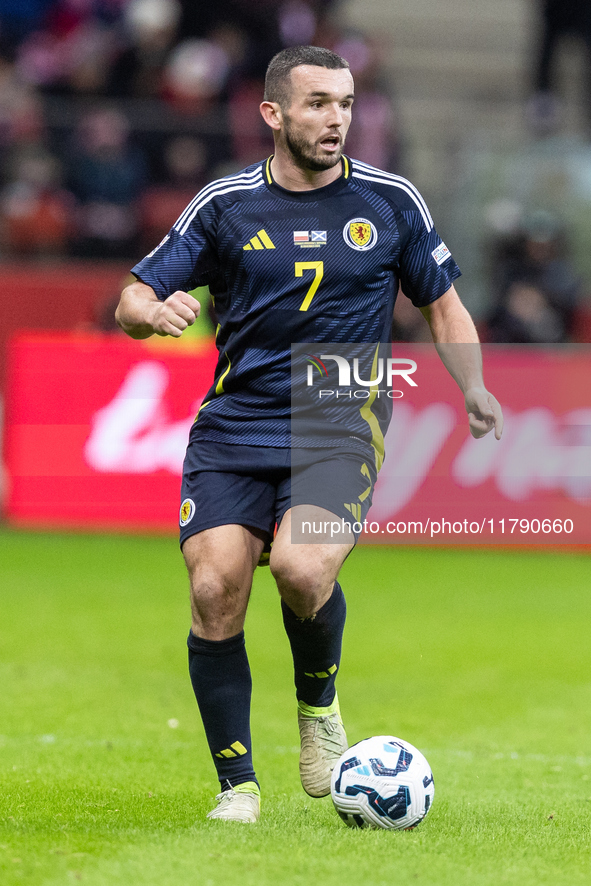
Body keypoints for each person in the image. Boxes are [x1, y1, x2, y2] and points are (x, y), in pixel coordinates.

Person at [115, 45, 503, 824]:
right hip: (236, 420)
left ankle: (317, 711)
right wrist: (153, 314)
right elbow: (130, 295)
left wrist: (473, 385)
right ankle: (237, 788)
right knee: (213, 585)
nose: (336, 120)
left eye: (347, 104)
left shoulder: (391, 200)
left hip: (339, 414)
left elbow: (444, 306)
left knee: (298, 567)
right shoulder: (224, 204)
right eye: (319, 103)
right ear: (272, 113)